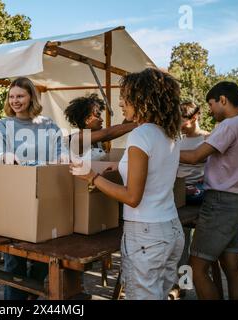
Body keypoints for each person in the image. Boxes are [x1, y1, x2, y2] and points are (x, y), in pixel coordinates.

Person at [71, 68, 184, 300]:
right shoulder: (169, 132)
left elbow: (133, 197)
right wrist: (121, 167)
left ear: (144, 99)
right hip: (171, 228)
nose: (121, 104)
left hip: (146, 234)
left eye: (126, 97)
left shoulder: (141, 135)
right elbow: (154, 170)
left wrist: (92, 177)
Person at [180, 81, 238, 300]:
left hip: (220, 204)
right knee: (232, 267)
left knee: (196, 268)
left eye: (212, 104)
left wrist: (161, 153)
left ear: (223, 100)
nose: (211, 110)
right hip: (237, 201)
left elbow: (196, 156)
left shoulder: (229, 125)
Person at [0, 77, 64, 300]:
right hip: (16, 201)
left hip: (47, 198)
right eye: (11, 96)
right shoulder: (3, 125)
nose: (15, 101)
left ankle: (31, 295)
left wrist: (63, 158)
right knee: (15, 259)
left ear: (31, 96)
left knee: (46, 256)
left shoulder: (47, 124)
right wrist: (4, 156)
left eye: (20, 96)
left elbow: (62, 151)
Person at [170, 101, 210, 299]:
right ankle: (181, 285)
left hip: (198, 195)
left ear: (194, 117)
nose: (177, 123)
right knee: (181, 243)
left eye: (181, 120)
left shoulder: (208, 139)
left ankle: (186, 285)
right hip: (178, 193)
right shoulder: (177, 139)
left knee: (195, 249)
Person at [64, 93, 137, 160]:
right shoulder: (78, 138)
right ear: (86, 119)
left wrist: (134, 113)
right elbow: (108, 133)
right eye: (98, 115)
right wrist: (140, 123)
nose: (101, 119)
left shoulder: (97, 139)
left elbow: (122, 127)